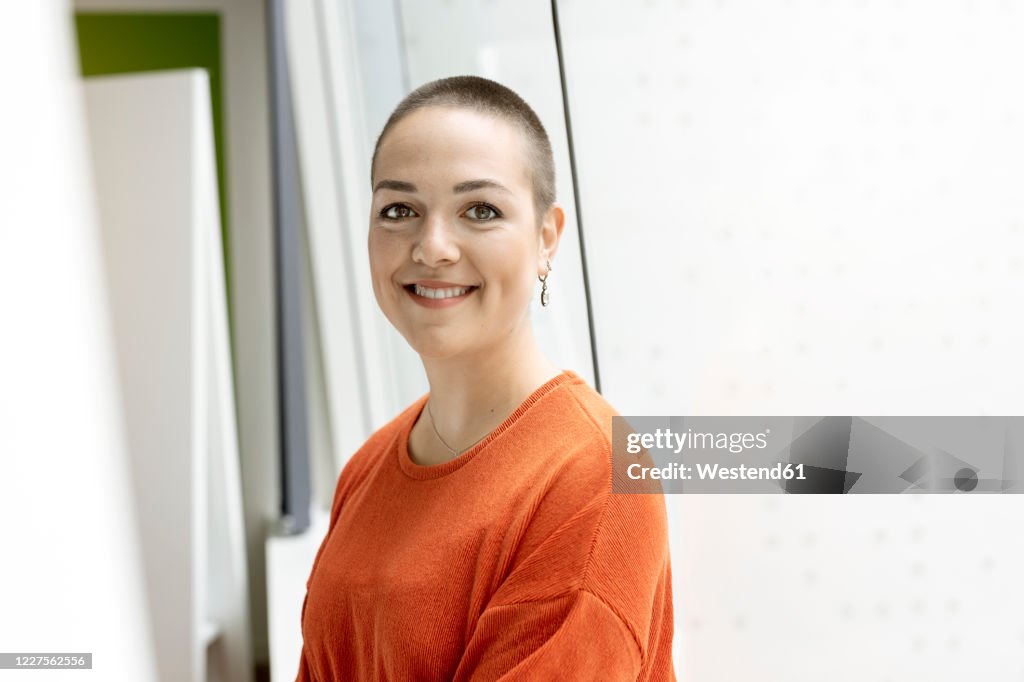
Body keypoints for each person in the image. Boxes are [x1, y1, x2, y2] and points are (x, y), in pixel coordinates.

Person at [296, 75, 675, 681]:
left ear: (546, 237)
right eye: (399, 210)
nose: (432, 247)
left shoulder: (594, 476)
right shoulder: (369, 466)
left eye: (480, 210)